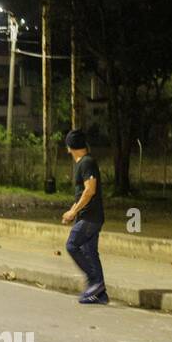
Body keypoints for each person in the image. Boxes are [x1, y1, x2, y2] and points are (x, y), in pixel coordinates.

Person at [62, 129, 107, 305]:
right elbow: (82, 193)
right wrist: (72, 211)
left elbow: (90, 190)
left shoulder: (86, 163)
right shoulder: (85, 162)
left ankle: (95, 282)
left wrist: (74, 212)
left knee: (72, 245)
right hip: (90, 216)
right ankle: (99, 294)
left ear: (69, 147)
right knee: (90, 252)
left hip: (90, 217)